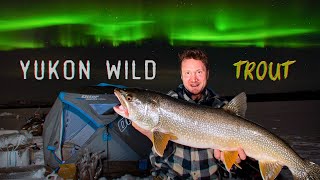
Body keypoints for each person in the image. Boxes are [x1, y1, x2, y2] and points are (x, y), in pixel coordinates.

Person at [132, 48, 247, 179]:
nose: (193, 79)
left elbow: (228, 167)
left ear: (207, 74)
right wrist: (150, 134)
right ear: (181, 75)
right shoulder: (166, 102)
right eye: (187, 73)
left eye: (199, 72)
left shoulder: (221, 106)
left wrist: (231, 161)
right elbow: (160, 152)